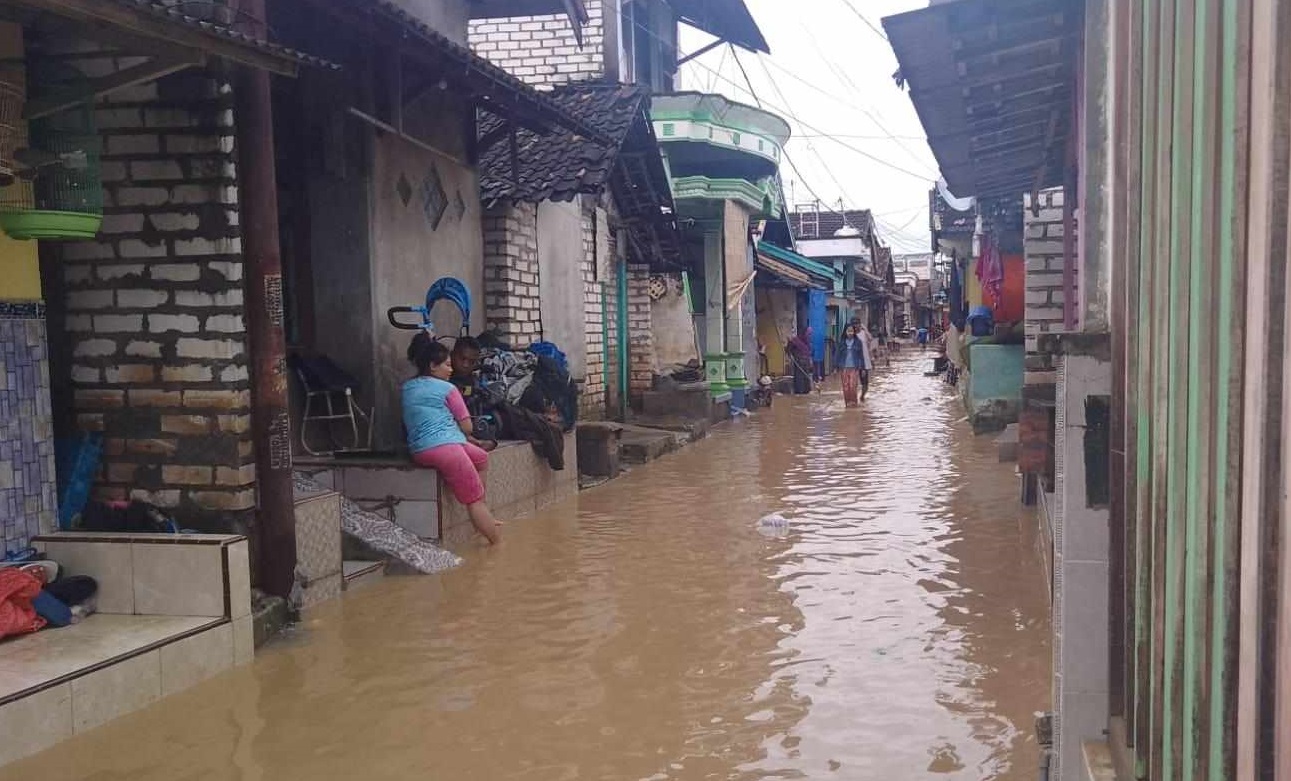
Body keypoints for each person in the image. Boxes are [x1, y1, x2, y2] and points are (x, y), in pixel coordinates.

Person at [403, 334, 502, 545]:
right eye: (447, 365)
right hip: (445, 449)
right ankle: (494, 541)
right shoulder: (448, 389)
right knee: (473, 499)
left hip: (420, 450)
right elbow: (467, 426)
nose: (451, 369)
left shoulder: (408, 387)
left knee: (481, 457)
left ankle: (482, 516)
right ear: (432, 366)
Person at [448, 336, 497, 452]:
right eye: (462, 358)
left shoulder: (471, 380)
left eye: (471, 362)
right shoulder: (444, 375)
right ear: (452, 354)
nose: (465, 365)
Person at [834, 323, 872, 407]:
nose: (850, 333)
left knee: (852, 386)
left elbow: (861, 356)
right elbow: (837, 355)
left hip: (854, 368)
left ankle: (854, 404)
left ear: (854, 332)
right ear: (845, 332)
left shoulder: (858, 342)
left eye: (851, 331)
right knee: (845, 387)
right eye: (848, 331)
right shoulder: (841, 343)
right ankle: (847, 404)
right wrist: (835, 368)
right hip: (843, 367)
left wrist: (862, 368)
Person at [787, 327, 813, 394]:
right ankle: (799, 392)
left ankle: (806, 391)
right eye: (809, 334)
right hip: (799, 361)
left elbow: (808, 352)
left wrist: (810, 361)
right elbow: (789, 349)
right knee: (799, 377)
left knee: (806, 376)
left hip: (805, 362)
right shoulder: (795, 340)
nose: (809, 336)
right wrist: (790, 355)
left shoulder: (807, 341)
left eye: (810, 334)